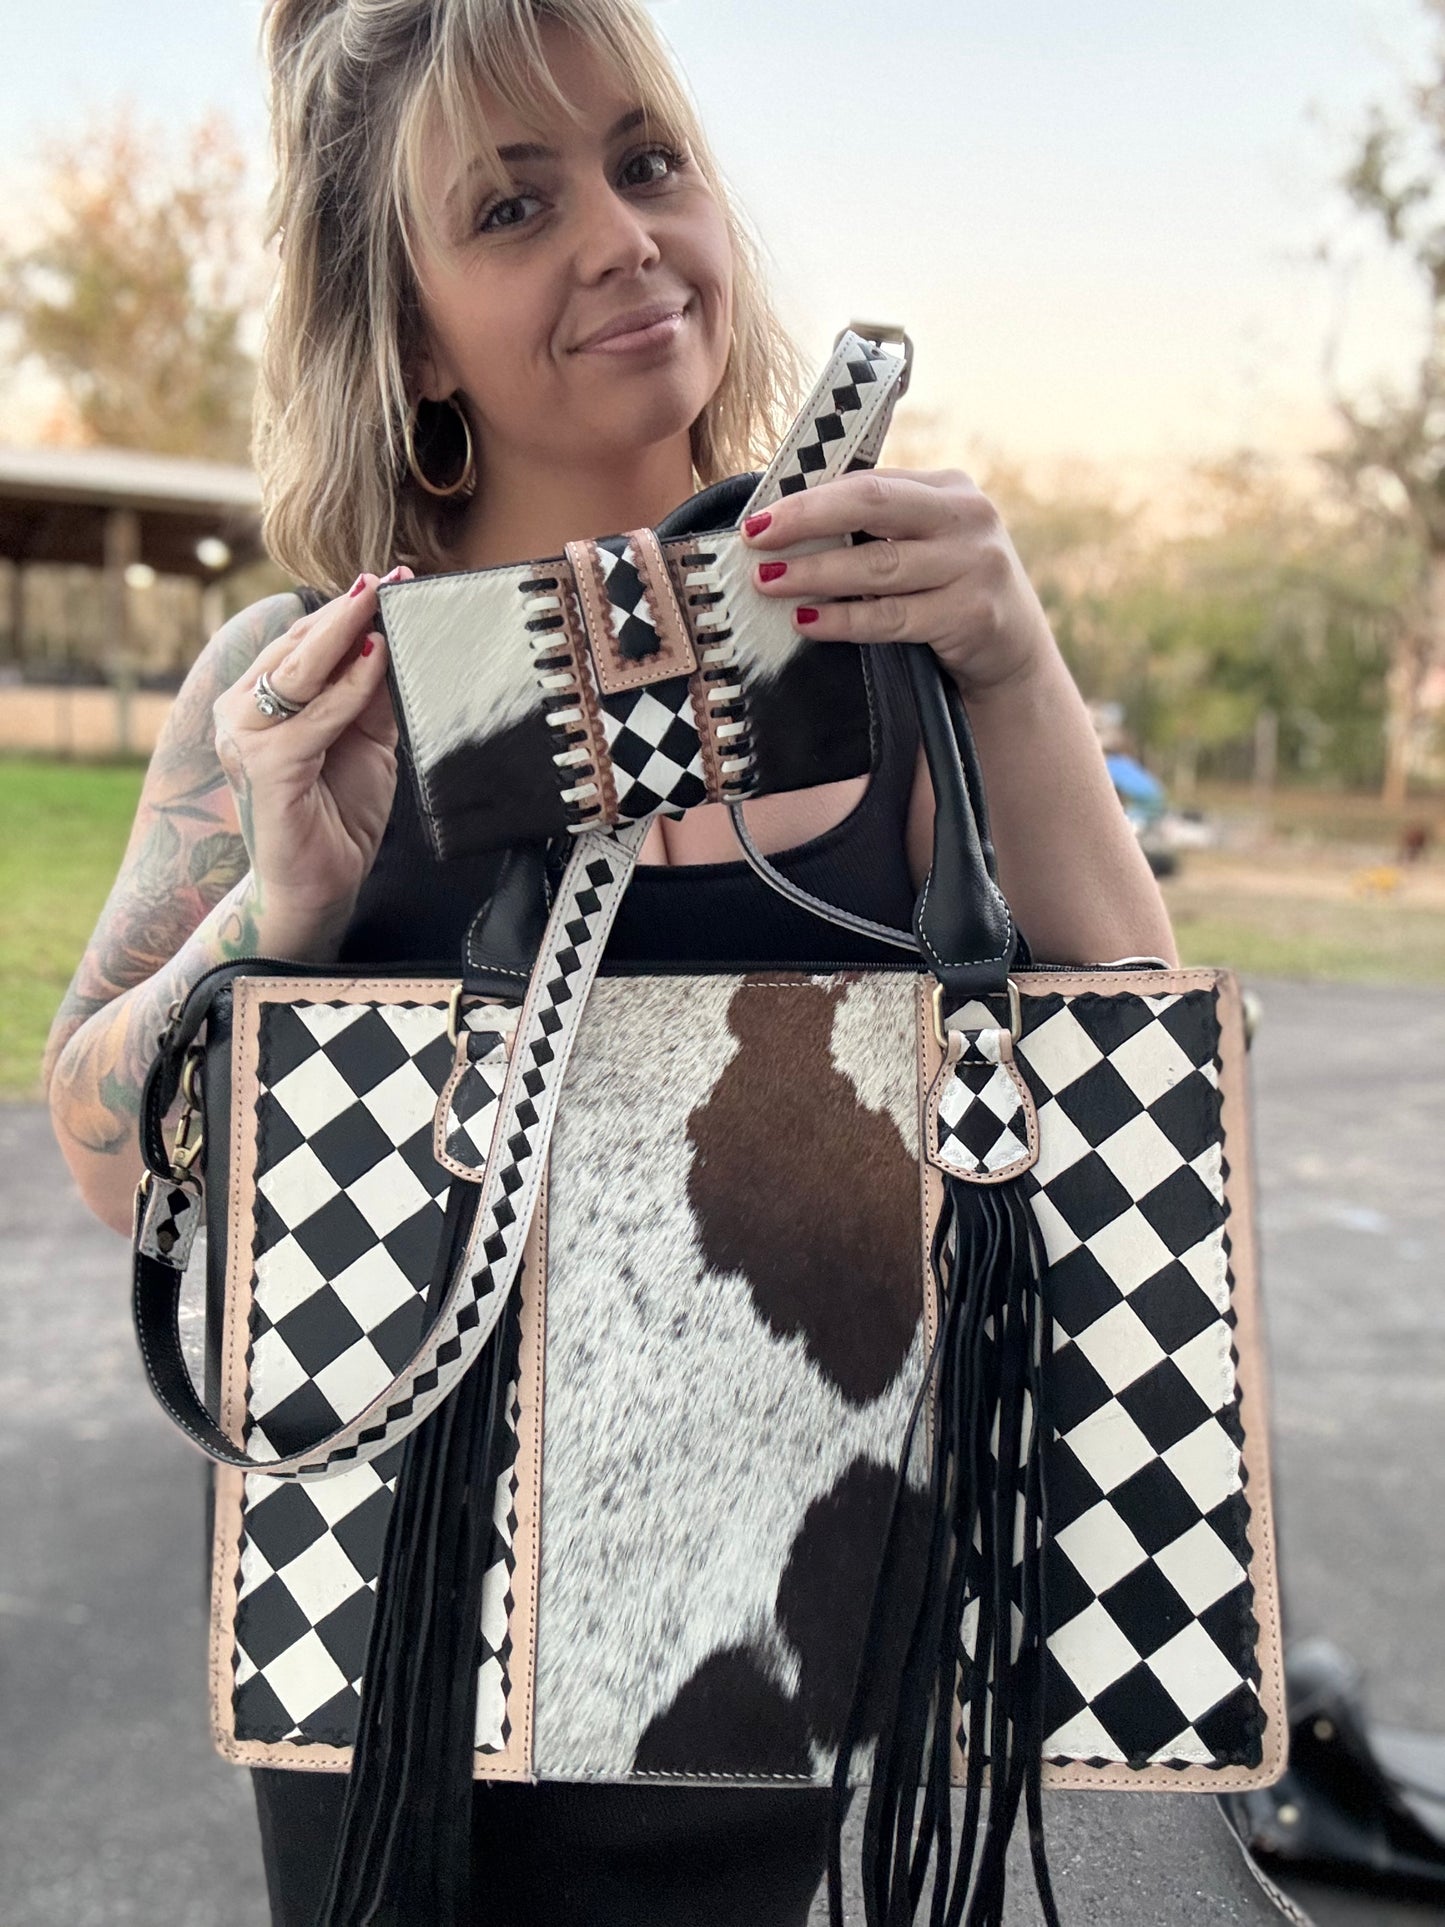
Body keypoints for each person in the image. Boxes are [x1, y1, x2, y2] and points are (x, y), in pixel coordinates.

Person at [42, 3, 1176, 1921]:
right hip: (405, 1656)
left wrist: (1012, 657)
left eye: (648, 165)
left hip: (829, 1641)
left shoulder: (891, 647)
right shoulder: (298, 679)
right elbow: (103, 1147)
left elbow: (1126, 1086)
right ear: (403, 329)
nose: (619, 236)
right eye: (511, 207)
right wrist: (285, 909)